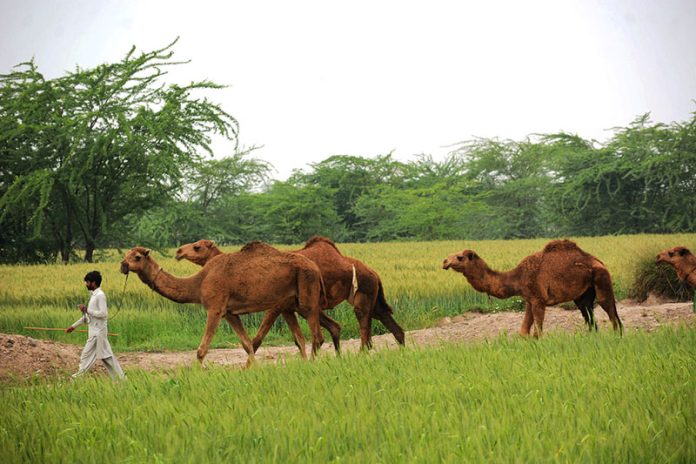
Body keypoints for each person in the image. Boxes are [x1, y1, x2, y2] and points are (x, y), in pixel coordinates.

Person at [66, 271, 125, 380]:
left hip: (98, 333)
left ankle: (76, 379)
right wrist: (73, 326)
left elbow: (104, 314)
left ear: (93, 283)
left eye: (87, 282)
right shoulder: (93, 296)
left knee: (86, 356)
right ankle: (121, 380)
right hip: (95, 333)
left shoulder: (100, 296)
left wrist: (87, 309)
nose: (86, 284)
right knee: (106, 358)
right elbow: (88, 317)